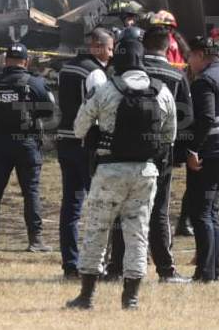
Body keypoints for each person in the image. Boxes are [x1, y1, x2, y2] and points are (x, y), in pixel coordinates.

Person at [66, 36, 175, 310]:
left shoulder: (106, 89)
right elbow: (169, 137)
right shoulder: (162, 91)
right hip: (146, 172)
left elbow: (78, 129)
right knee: (138, 233)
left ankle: (86, 296)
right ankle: (131, 298)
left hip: (109, 170)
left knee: (97, 231)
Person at [106, 26, 192, 283]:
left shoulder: (125, 74)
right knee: (159, 212)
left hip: (123, 151)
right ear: (168, 47)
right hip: (160, 153)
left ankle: (116, 267)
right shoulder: (176, 76)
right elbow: (186, 118)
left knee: (122, 210)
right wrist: (178, 154)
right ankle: (166, 269)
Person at [0, 43, 54, 252]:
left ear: (6, 60)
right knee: (31, 192)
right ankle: (35, 240)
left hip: (0, 143)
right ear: (26, 62)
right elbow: (49, 110)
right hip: (26, 144)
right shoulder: (35, 82)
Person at [183, 37, 219, 282]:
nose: (188, 62)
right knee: (211, 212)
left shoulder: (204, 80)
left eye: (189, 56)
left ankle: (205, 273)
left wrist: (193, 149)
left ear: (199, 55)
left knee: (201, 213)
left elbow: (206, 118)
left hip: (211, 153)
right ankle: (213, 270)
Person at [55, 27, 112, 278]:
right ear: (97, 47)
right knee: (99, 205)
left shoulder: (66, 68)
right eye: (109, 48)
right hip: (86, 144)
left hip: (64, 140)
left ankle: (70, 263)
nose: (111, 54)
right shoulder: (95, 73)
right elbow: (100, 110)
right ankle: (96, 263)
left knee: (70, 205)